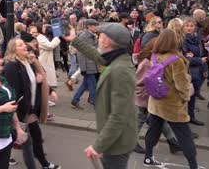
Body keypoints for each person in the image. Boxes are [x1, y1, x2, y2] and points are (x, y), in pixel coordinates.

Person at [63, 23, 137, 169]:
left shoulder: (120, 70)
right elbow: (98, 56)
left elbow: (118, 116)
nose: (98, 39)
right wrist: (74, 39)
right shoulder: (117, 58)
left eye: (100, 36)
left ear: (107, 41)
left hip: (117, 144)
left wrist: (98, 146)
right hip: (115, 140)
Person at [141, 29, 198, 168]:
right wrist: (186, 97)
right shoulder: (176, 60)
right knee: (184, 136)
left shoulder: (154, 55)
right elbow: (182, 85)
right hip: (173, 105)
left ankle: (148, 157)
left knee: (153, 130)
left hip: (156, 101)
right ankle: (193, 165)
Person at [2, 38, 61, 169]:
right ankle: (42, 164)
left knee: (28, 137)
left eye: (24, 44)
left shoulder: (28, 62)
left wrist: (40, 83)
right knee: (28, 140)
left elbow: (31, 81)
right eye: (20, 45)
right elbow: (12, 92)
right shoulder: (12, 66)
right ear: (13, 49)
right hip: (21, 110)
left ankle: (42, 163)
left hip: (31, 107)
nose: (25, 46)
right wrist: (15, 112)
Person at [133, 38, 181, 155]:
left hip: (152, 97)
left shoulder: (154, 61)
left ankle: (173, 143)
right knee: (140, 120)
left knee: (160, 119)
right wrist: (143, 98)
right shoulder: (146, 63)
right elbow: (138, 82)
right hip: (144, 98)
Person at [182, 17, 206, 126]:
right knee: (187, 96)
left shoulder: (197, 38)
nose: (189, 28)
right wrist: (198, 60)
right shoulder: (182, 40)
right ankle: (184, 119)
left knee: (193, 95)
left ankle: (191, 116)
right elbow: (185, 58)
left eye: (191, 26)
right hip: (188, 71)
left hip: (198, 70)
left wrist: (204, 67)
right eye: (187, 26)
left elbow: (202, 53)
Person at [71, 19, 100, 109]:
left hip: (92, 63)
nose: (97, 27)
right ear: (89, 26)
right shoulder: (84, 36)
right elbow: (80, 53)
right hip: (88, 65)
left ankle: (75, 100)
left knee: (85, 84)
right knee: (92, 85)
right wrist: (83, 68)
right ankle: (96, 104)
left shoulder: (93, 35)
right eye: (95, 26)